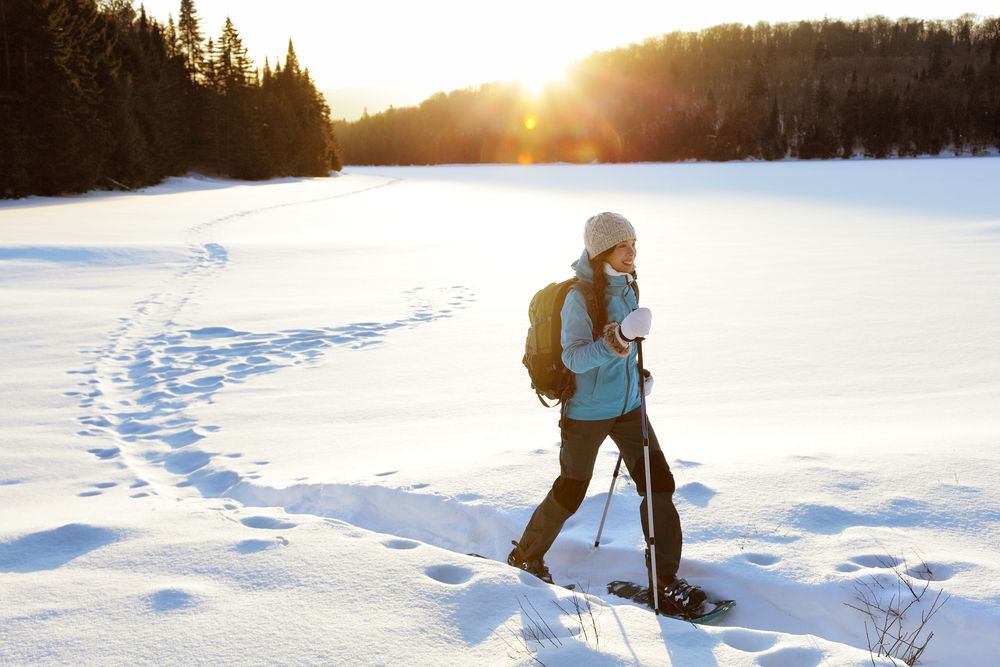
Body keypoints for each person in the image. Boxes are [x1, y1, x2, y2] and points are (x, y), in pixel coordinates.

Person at [508, 211, 706, 617]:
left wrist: (637, 375)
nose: (632, 252)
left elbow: (626, 348)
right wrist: (619, 338)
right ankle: (526, 556)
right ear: (603, 251)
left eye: (634, 244)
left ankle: (665, 581)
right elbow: (575, 357)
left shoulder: (628, 284)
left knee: (659, 484)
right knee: (571, 489)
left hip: (630, 408)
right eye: (623, 246)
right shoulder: (580, 297)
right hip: (587, 412)